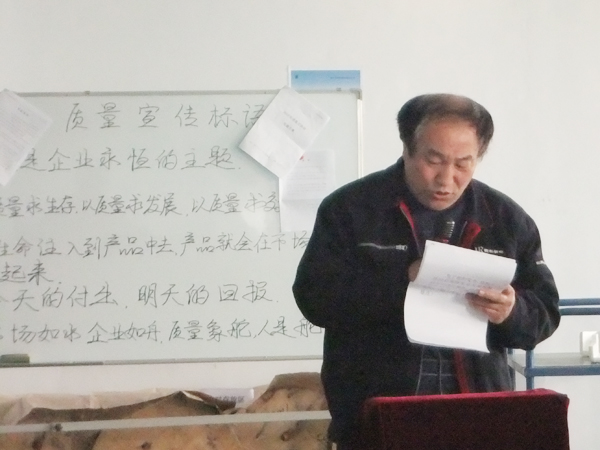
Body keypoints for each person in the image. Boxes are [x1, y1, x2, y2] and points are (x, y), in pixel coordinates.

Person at [292, 93, 561, 449]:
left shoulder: (505, 219)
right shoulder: (351, 209)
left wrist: (511, 312)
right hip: (379, 412)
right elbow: (314, 297)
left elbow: (545, 314)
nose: (446, 179)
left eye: (463, 164)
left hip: (477, 413)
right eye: (433, 161)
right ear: (407, 148)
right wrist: (402, 280)